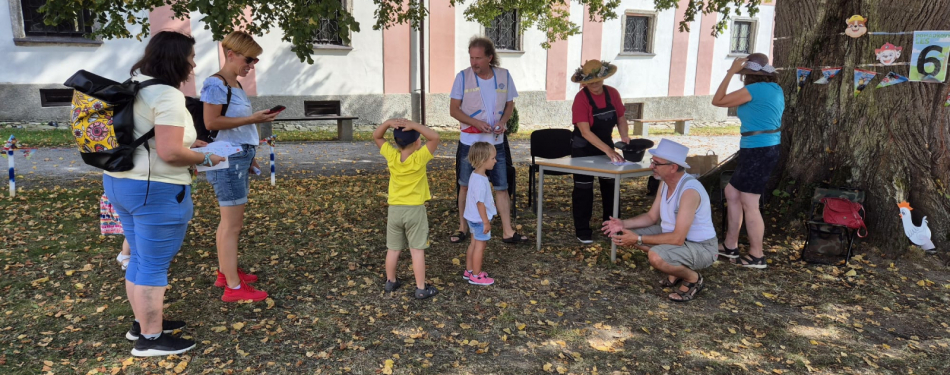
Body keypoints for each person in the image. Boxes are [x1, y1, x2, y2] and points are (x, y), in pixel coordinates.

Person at [105, 31, 224, 356]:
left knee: (139, 258)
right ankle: (152, 340)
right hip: (154, 189)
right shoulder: (168, 95)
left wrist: (189, 144)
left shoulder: (135, 85)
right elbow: (170, 153)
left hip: (120, 182)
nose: (194, 64)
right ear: (176, 60)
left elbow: (152, 137)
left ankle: (142, 325)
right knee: (153, 264)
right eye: (190, 58)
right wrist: (207, 157)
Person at [202, 31, 279, 302]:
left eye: (255, 60)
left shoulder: (234, 83)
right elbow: (211, 123)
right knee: (232, 225)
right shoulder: (216, 84)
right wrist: (252, 119)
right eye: (249, 59)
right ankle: (233, 288)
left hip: (237, 156)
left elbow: (233, 127)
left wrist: (250, 153)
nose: (252, 65)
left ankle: (227, 272)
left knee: (228, 223)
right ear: (231, 54)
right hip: (226, 158)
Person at [603, 139, 717, 302]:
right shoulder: (665, 183)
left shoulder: (689, 191)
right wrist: (622, 224)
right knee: (628, 233)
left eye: (656, 163)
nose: (651, 167)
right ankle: (675, 268)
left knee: (656, 256)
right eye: (652, 162)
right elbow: (651, 217)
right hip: (675, 238)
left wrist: (639, 239)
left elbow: (677, 238)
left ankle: (693, 279)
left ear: (673, 167)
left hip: (703, 247)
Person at [448, 36, 528, 245]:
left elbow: (509, 105)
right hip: (470, 143)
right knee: (464, 185)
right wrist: (475, 121)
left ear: (490, 57)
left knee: (501, 186)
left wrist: (503, 121)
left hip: (496, 142)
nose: (474, 62)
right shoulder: (463, 77)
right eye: (471, 57)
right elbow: (454, 110)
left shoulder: (503, 75)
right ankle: (462, 228)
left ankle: (508, 231)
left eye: (478, 58)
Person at [711, 53, 784, 269]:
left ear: (747, 76)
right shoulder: (774, 88)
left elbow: (717, 101)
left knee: (750, 203)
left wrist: (730, 73)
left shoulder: (754, 90)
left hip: (759, 149)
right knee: (732, 192)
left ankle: (757, 255)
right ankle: (730, 245)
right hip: (760, 147)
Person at [372, 118, 441, 299]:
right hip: (415, 210)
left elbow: (377, 136)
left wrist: (387, 123)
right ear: (418, 142)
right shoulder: (419, 158)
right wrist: (415, 125)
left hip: (394, 209)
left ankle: (390, 281)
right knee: (416, 250)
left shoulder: (392, 155)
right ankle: (420, 288)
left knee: (393, 249)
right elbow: (434, 138)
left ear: (395, 142)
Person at [569, 60, 631, 243]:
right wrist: (609, 151)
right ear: (584, 82)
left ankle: (612, 227)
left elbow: (621, 118)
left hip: (606, 145)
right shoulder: (581, 99)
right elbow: (585, 131)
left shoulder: (613, 94)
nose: (595, 85)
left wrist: (625, 137)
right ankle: (582, 230)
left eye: (598, 81)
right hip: (583, 148)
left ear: (604, 79)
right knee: (583, 189)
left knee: (611, 187)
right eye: (591, 82)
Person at [463, 142, 498, 286]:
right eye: (493, 158)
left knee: (473, 244)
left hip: (472, 218)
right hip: (479, 220)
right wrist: (486, 222)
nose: (495, 161)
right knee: (480, 247)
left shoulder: (476, 175)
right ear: (483, 160)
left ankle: (469, 270)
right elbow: (480, 203)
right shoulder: (480, 181)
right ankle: (476, 276)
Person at [99, 193, 131, 270]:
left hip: (132, 196)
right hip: (122, 197)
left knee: (136, 229)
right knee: (132, 229)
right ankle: (125, 255)